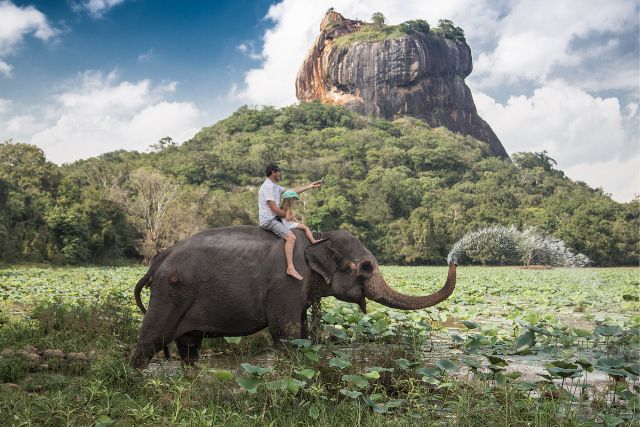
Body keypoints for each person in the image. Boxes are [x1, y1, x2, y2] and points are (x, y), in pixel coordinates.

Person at [258, 163, 322, 280]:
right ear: (273, 173)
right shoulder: (267, 187)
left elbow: (291, 191)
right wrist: (287, 217)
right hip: (269, 220)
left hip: (276, 218)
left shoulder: (275, 186)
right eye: (278, 172)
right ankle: (290, 267)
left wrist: (310, 186)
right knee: (291, 238)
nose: (280, 174)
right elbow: (273, 208)